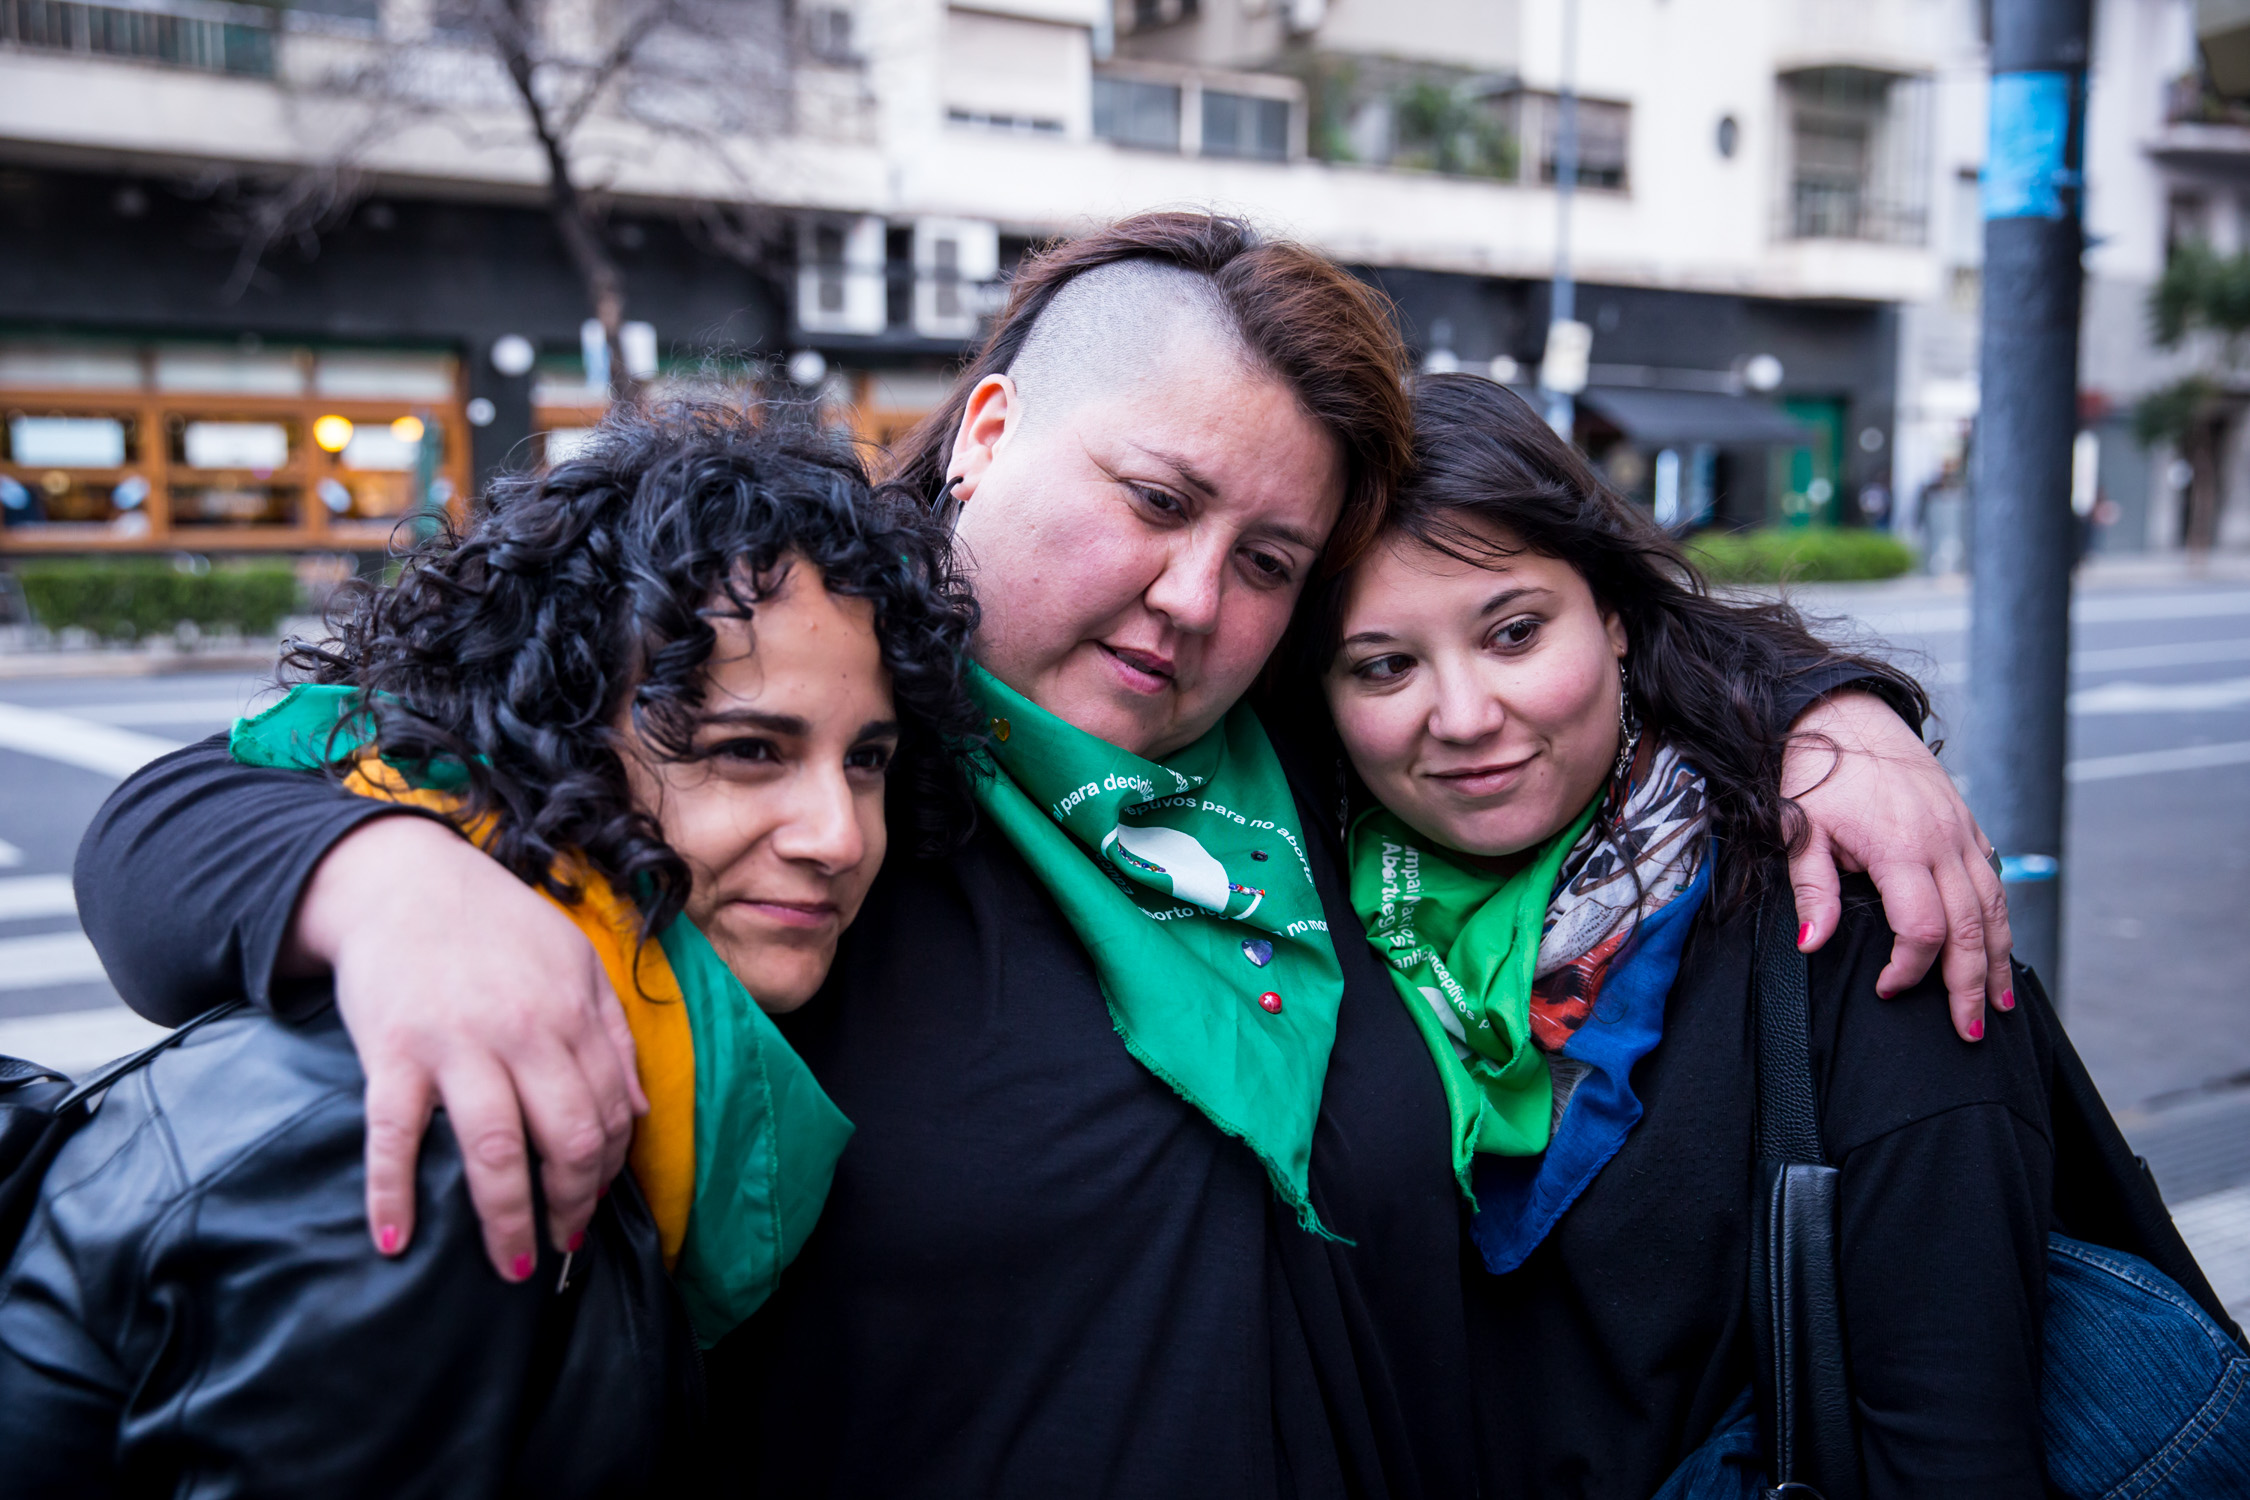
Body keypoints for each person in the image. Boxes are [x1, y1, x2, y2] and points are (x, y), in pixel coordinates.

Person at [72, 214, 2012, 1497]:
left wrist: (1826, 717)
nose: (1194, 599)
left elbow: (1568, 631)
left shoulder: (1297, 773)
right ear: (989, 429)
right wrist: (388, 885)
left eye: (1268, 563)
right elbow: (179, 827)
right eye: (1154, 501)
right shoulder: (795, 757)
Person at [0, 404, 979, 1495]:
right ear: (554, 734)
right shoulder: (441, 1125)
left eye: (868, 760)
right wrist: (380, 882)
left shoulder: (668, 1014)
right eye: (746, 751)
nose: (838, 837)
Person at [1311, 372, 2062, 1498]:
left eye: (1514, 632)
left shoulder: (1846, 920)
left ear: (1610, 614)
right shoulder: (1301, 907)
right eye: (1384, 665)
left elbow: (1952, 1438)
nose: (1462, 717)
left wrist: (1833, 712)